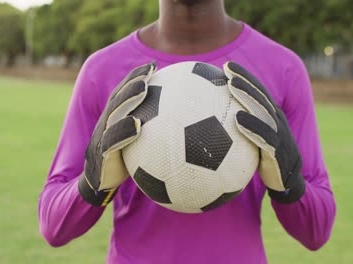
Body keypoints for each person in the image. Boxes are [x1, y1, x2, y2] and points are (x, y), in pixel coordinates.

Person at [38, 0, 336, 263]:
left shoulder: (282, 68)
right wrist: (91, 187)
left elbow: (316, 233)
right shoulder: (102, 70)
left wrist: (289, 186)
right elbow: (54, 226)